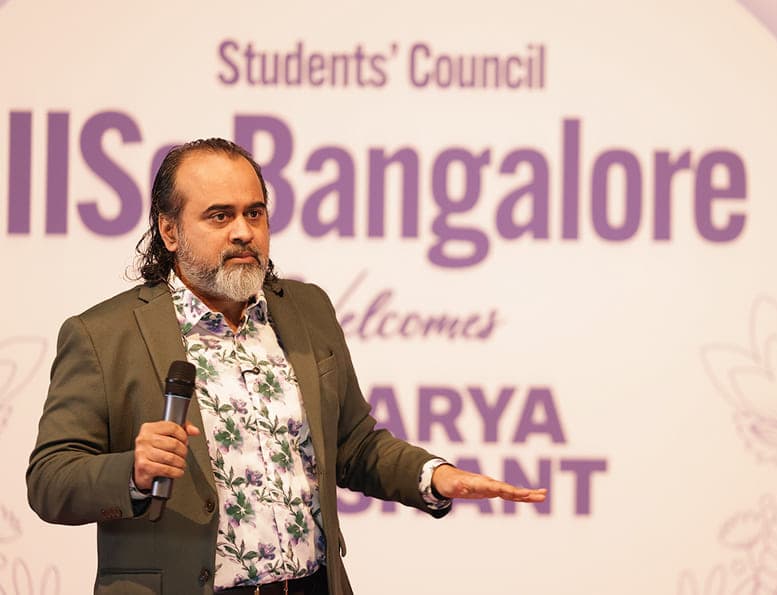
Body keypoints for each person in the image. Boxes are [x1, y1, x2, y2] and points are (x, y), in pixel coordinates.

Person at [26, 138, 546, 595]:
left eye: (255, 213)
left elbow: (353, 444)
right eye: (219, 216)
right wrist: (133, 473)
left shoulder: (306, 309)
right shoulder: (103, 335)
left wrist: (434, 476)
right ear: (169, 231)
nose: (243, 232)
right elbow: (50, 479)